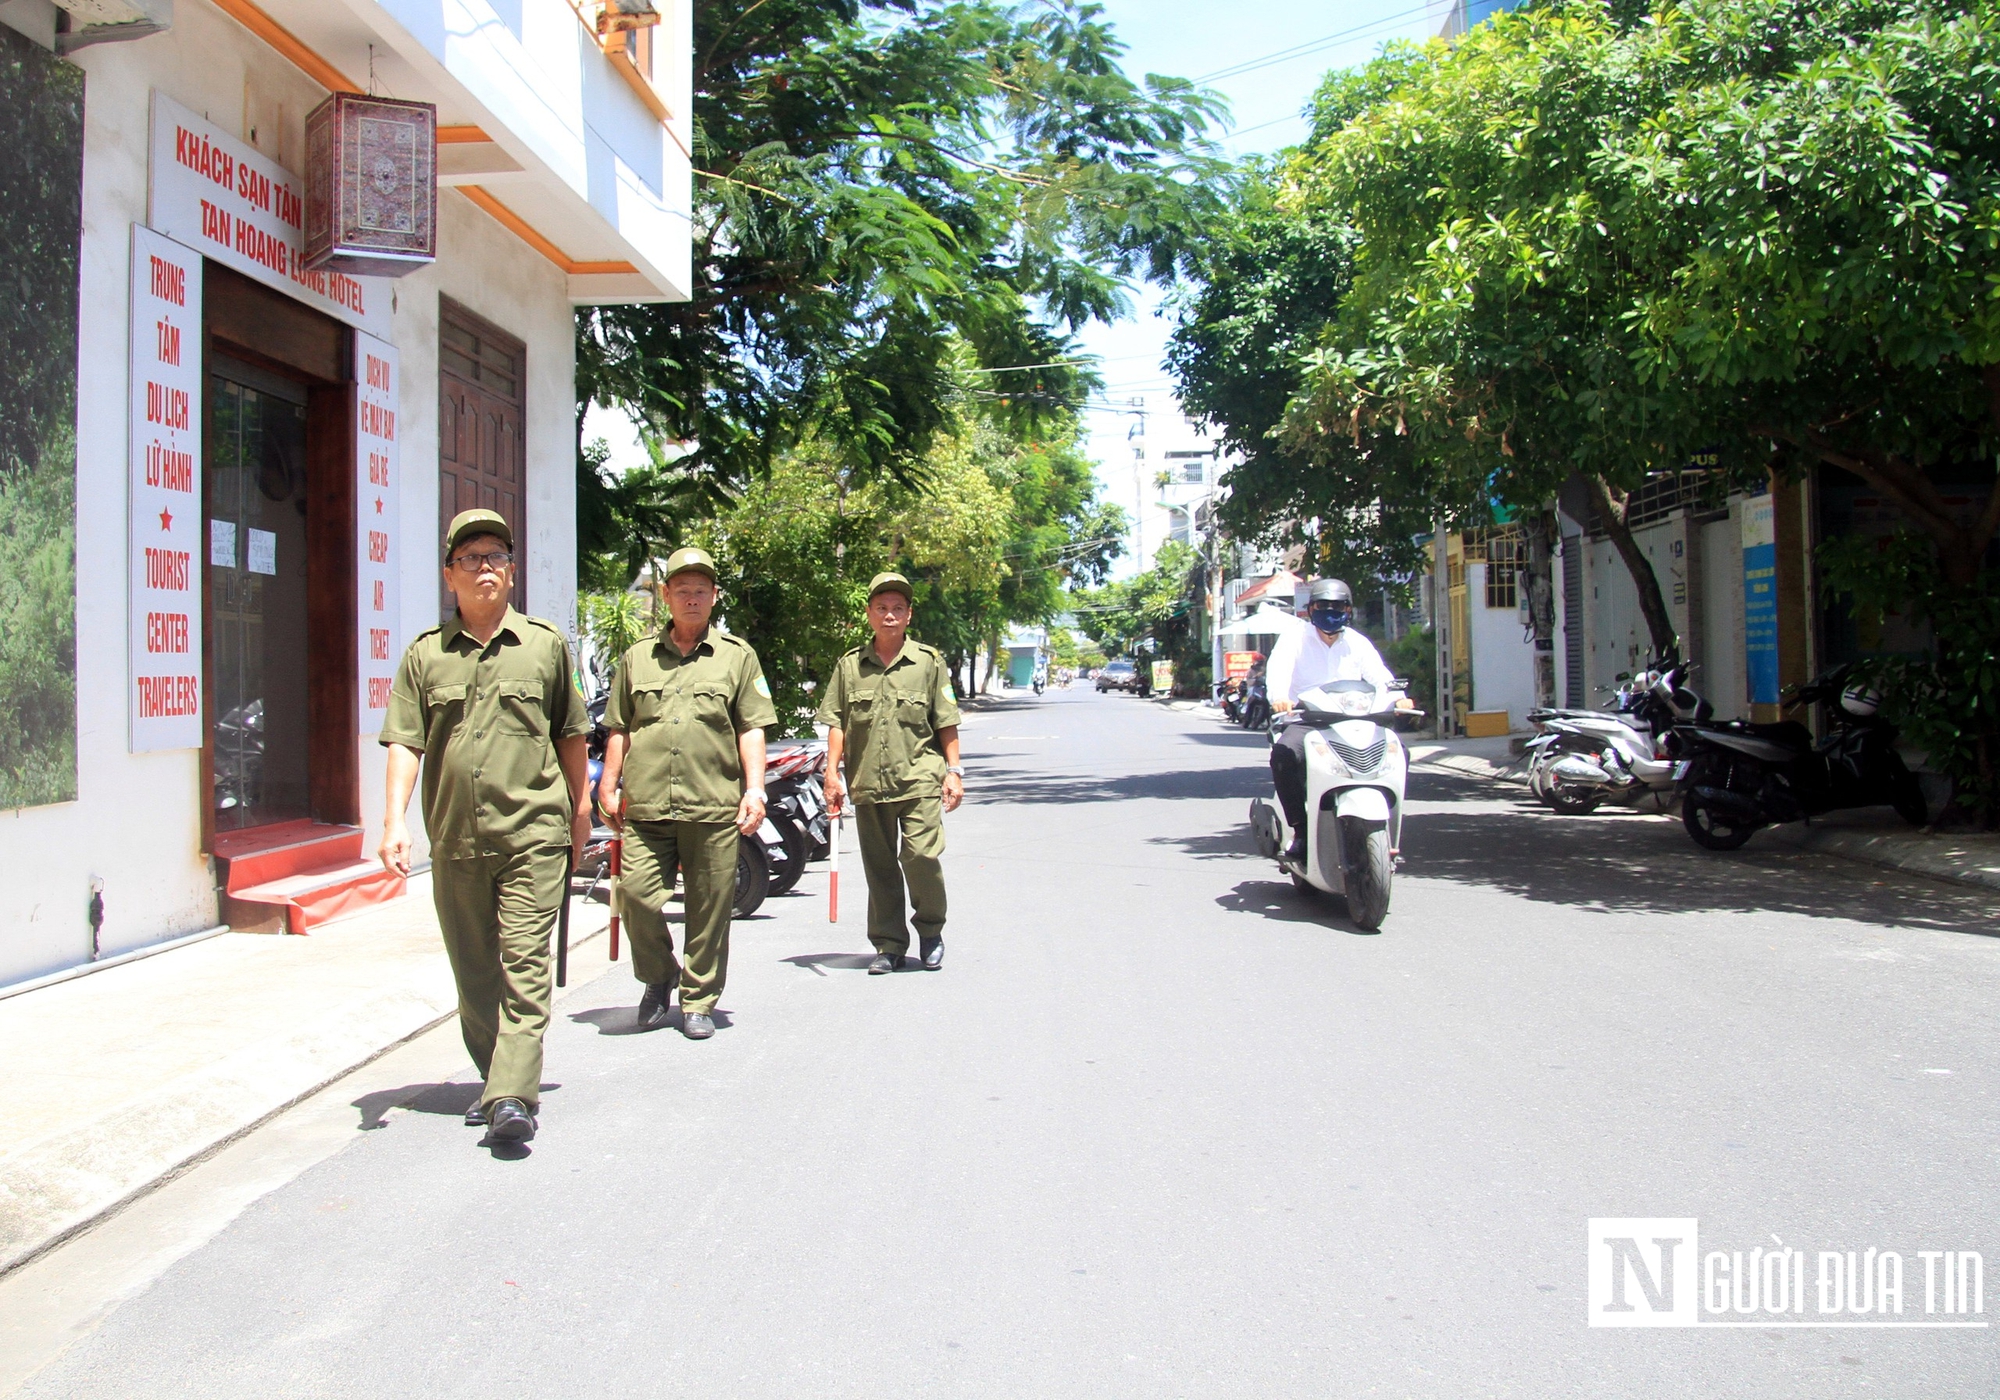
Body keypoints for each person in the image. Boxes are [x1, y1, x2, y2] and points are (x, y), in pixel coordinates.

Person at [378, 509, 591, 1145]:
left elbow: (571, 736)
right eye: (471, 558)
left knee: (524, 966)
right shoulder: (424, 657)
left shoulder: (546, 646)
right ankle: (496, 1075)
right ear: (450, 575)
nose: (486, 568)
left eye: (497, 556)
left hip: (533, 832)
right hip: (455, 839)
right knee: (474, 974)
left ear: (513, 570)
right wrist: (393, 822)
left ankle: (511, 1096)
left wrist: (580, 813)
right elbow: (404, 744)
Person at [596, 547, 775, 1040]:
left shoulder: (737, 657)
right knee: (635, 896)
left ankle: (698, 998)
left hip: (713, 801)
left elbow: (752, 727)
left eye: (701, 590)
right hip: (648, 803)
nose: (691, 599)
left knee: (711, 905)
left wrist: (754, 789)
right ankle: (659, 975)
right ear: (665, 596)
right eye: (682, 590)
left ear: (714, 597)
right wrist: (607, 784)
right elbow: (619, 727)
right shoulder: (637, 658)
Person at [818, 573, 964, 974]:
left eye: (898, 608)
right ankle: (889, 943)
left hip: (918, 777)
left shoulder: (928, 663)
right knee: (879, 867)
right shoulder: (850, 666)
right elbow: (836, 722)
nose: (889, 615)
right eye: (881, 608)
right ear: (869, 613)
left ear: (909, 615)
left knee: (920, 856)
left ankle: (930, 931)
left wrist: (954, 771)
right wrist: (831, 774)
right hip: (867, 781)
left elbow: (946, 720)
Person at [1265, 578, 1404, 860]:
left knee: (1399, 752)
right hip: (1307, 721)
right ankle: (1300, 832)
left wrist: (1398, 696)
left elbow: (1381, 677)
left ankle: (1385, 829)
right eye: (1323, 606)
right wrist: (1279, 696)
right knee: (1284, 755)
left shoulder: (1357, 643)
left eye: (1338, 606)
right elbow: (1278, 672)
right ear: (1311, 609)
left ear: (1348, 610)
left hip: (1354, 721)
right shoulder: (1294, 638)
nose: (1331, 611)